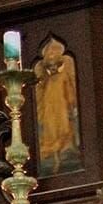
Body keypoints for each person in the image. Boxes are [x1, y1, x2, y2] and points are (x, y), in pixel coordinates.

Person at [33, 39, 80, 176]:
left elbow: (70, 90)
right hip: (50, 109)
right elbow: (41, 91)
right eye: (50, 66)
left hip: (62, 107)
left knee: (65, 128)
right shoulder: (47, 80)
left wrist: (71, 104)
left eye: (55, 65)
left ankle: (66, 150)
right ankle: (54, 156)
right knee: (51, 131)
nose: (52, 68)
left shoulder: (63, 75)